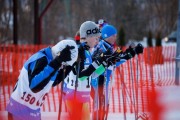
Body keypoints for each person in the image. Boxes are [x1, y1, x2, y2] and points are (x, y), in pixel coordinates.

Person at [6, 40, 78, 120]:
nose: (62, 66)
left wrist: (70, 66)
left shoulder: (51, 61)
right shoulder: (42, 58)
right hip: (19, 111)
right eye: (63, 64)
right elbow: (35, 86)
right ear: (59, 53)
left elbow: (52, 82)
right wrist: (57, 62)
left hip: (33, 111)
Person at [63, 21, 116, 120]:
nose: (97, 42)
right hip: (74, 98)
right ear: (89, 36)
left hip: (83, 98)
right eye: (96, 38)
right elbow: (82, 76)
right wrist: (99, 61)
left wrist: (105, 63)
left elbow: (92, 75)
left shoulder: (87, 52)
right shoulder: (77, 51)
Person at [91, 24, 144, 119]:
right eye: (113, 35)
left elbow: (115, 58)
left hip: (103, 82)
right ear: (107, 36)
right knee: (99, 108)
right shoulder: (102, 47)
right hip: (98, 82)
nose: (115, 37)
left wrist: (131, 51)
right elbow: (114, 61)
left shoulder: (107, 46)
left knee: (102, 108)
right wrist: (131, 53)